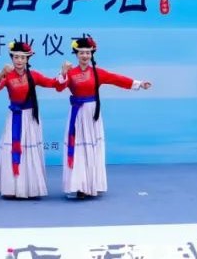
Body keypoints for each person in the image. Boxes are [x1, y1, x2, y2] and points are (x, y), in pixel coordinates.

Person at [55, 33, 152, 198]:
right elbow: (58, 87)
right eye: (81, 53)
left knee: (92, 148)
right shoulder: (71, 73)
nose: (85, 56)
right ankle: (79, 186)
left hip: (92, 113)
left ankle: (92, 184)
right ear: (76, 54)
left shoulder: (97, 72)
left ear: (92, 54)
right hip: (77, 115)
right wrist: (63, 73)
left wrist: (139, 84)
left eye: (88, 53)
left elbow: (116, 79)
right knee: (78, 148)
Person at [0, 40, 58, 198]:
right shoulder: (8, 75)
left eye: (22, 57)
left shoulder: (34, 76)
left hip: (30, 117)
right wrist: (1, 73)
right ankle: (11, 188)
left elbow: (52, 83)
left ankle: (30, 188)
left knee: (29, 150)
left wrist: (63, 73)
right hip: (14, 117)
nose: (19, 60)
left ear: (27, 59)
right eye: (16, 57)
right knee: (11, 148)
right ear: (12, 58)